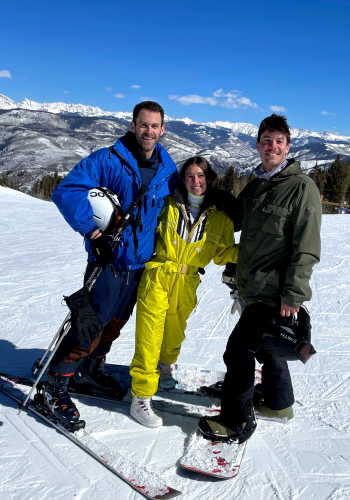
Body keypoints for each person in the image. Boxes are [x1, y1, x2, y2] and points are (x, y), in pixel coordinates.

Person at [44, 101, 179, 426]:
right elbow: (67, 191)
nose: (148, 131)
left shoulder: (168, 169)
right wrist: (93, 233)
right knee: (90, 324)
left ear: (162, 130)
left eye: (154, 126)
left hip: (140, 267)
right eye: (143, 125)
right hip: (108, 262)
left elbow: (179, 204)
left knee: (114, 324)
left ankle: (90, 371)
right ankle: (55, 386)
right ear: (133, 126)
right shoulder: (109, 160)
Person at [199, 114, 322, 444]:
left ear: (287, 147)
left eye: (279, 141)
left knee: (238, 351)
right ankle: (279, 404)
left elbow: (306, 248)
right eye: (266, 140)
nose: (272, 146)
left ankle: (235, 421)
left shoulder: (300, 188)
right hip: (252, 286)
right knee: (269, 347)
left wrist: (293, 295)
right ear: (257, 145)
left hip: (275, 291)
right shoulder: (256, 186)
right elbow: (238, 219)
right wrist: (209, 196)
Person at [128, 156, 239, 428]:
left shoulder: (220, 219)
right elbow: (142, 233)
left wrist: (258, 250)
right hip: (158, 275)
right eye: (189, 176)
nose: (195, 181)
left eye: (200, 176)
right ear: (183, 179)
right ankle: (141, 395)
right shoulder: (166, 206)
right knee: (149, 334)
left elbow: (224, 253)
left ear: (209, 178)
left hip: (188, 280)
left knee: (175, 330)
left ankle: (166, 366)